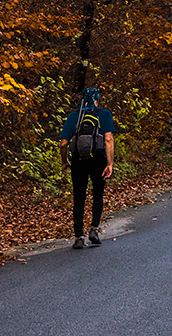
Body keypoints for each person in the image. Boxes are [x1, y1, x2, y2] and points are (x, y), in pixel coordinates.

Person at [58, 87, 116, 249]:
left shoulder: (74, 116)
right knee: (98, 193)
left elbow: (63, 144)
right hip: (98, 158)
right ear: (97, 99)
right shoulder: (104, 114)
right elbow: (108, 139)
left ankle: (78, 237)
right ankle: (94, 230)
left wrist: (65, 161)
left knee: (79, 197)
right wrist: (109, 163)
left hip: (78, 160)